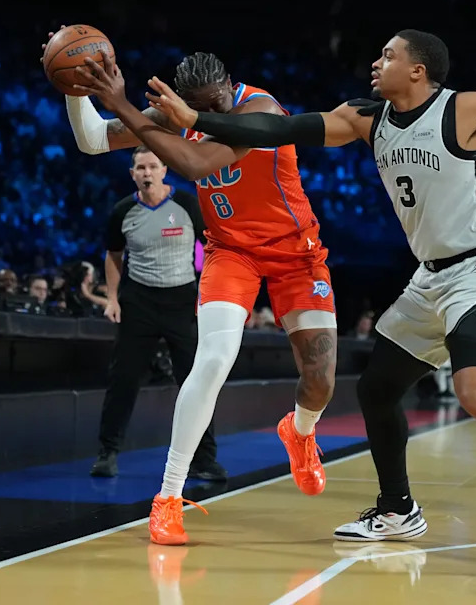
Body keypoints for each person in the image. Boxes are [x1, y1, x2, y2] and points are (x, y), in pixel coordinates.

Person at [143, 15, 476, 580]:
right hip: (430, 277)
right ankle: (397, 509)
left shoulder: (469, 109)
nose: (375, 63)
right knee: (378, 389)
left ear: (418, 68)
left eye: (387, 56)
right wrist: (199, 120)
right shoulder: (367, 117)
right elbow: (278, 130)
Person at [68, 49, 338, 546]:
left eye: (216, 102)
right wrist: (74, 84)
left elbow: (193, 164)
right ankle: (168, 498)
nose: (209, 113)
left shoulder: (261, 111)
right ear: (184, 100)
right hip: (230, 251)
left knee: (320, 379)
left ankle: (300, 432)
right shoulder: (175, 112)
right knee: (212, 361)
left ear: (230, 85)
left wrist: (123, 104)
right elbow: (91, 139)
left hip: (295, 253)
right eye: (198, 107)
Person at [88, 145, 225, 482]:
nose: (147, 173)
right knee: (123, 379)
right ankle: (107, 453)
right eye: (140, 168)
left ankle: (204, 460)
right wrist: (112, 299)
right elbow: (113, 255)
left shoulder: (187, 204)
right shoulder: (123, 211)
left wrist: (208, 292)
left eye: (152, 166)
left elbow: (213, 246)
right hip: (140, 301)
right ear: (132, 173)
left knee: (196, 382)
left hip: (182, 300)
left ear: (165, 169)